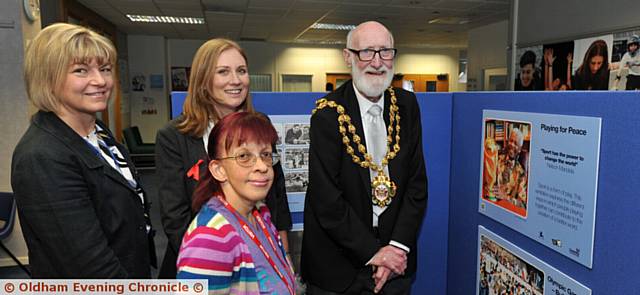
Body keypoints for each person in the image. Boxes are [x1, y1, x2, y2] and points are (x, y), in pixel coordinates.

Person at [11, 23, 155, 278]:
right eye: (81, 70)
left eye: (105, 69)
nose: (100, 81)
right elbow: (90, 266)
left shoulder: (97, 131)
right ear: (48, 78)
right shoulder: (42, 156)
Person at [302, 21, 428, 294]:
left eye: (385, 51)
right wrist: (374, 252)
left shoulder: (407, 106)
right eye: (367, 52)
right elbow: (326, 201)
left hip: (395, 265)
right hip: (337, 269)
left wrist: (395, 249)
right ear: (348, 57)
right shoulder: (327, 115)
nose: (377, 62)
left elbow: (416, 187)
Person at [155, 38, 292, 278]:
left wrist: (284, 256)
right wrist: (225, 262)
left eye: (241, 71)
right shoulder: (174, 136)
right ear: (203, 80)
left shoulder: (261, 125)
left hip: (263, 258)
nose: (236, 80)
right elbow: (175, 218)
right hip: (203, 264)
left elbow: (276, 196)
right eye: (223, 72)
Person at [176, 112, 295, 294]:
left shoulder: (261, 213)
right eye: (244, 157)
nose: (262, 166)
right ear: (219, 170)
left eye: (266, 154)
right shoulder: (211, 238)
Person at [497, 128, 528, 208]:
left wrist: (506, 198)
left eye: (515, 143)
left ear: (520, 149)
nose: (512, 144)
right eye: (511, 141)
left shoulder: (521, 174)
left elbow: (523, 204)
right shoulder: (497, 160)